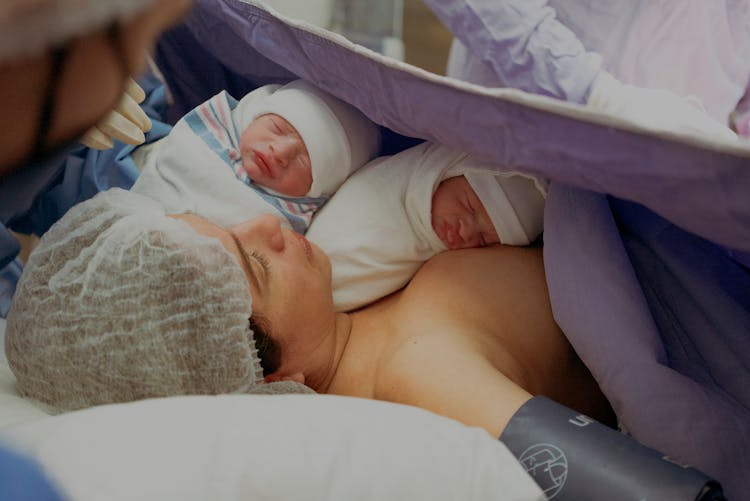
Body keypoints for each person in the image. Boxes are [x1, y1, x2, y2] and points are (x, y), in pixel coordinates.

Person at [5, 188, 724, 499]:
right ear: (269, 371)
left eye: (228, 225)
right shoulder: (418, 373)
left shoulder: (353, 305)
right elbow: (644, 489)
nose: (266, 224)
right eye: (257, 265)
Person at [307, 141, 546, 311]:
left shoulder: (435, 263)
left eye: (483, 239)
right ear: (445, 171)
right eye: (468, 206)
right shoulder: (394, 180)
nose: (466, 232)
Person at [131, 78, 381, 232]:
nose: (280, 152)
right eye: (277, 128)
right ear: (253, 114)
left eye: (305, 161)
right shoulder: (203, 137)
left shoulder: (281, 230)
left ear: (315, 192)